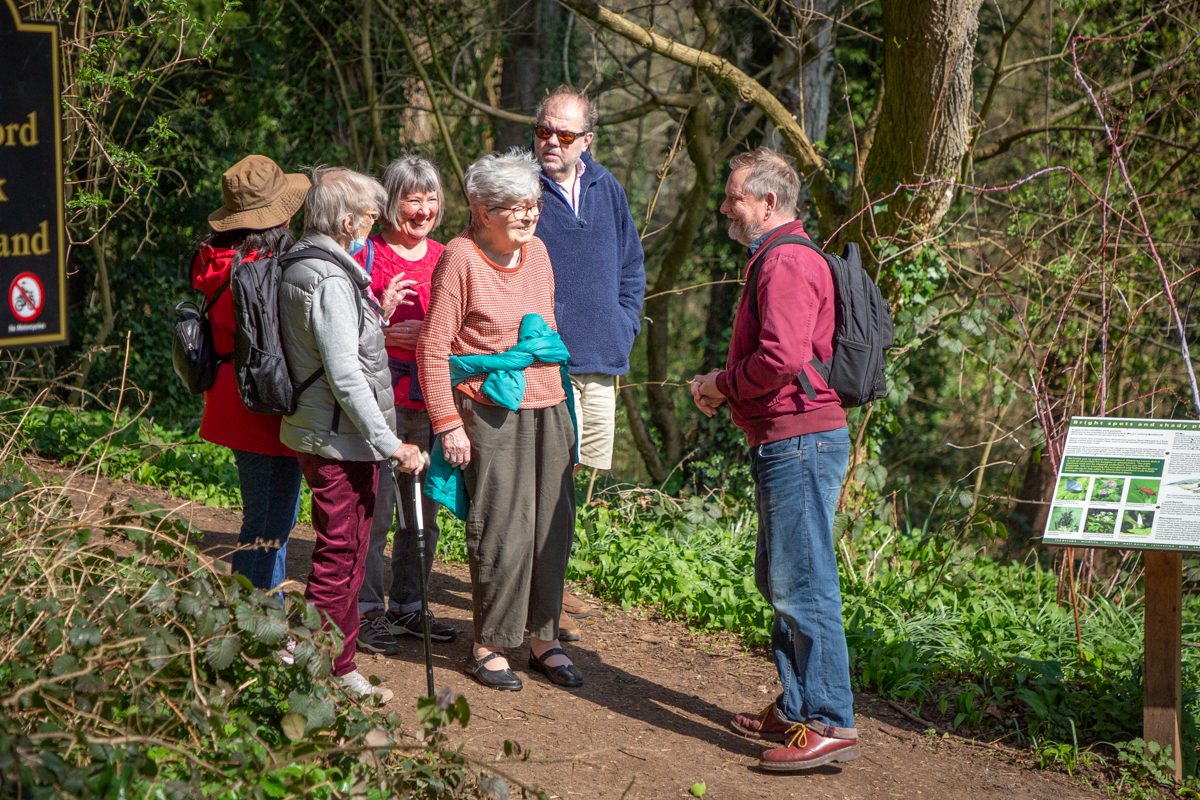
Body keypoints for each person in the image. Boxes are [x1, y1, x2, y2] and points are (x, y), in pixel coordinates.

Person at [690, 148, 858, 771]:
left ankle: (830, 719)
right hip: (786, 437)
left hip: (799, 438)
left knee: (804, 582)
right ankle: (796, 707)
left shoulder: (785, 259)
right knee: (780, 578)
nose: (726, 208)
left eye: (735, 197)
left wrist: (719, 385)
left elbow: (781, 357)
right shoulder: (778, 256)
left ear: (768, 202)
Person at [418, 149, 580, 692]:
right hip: (488, 408)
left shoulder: (538, 255)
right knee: (503, 531)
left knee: (551, 530)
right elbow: (434, 347)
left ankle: (543, 638)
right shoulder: (459, 257)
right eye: (516, 207)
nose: (529, 216)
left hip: (549, 402)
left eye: (533, 205)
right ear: (482, 208)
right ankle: (490, 642)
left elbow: (547, 329)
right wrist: (448, 422)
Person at [278, 166, 423, 703]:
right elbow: (344, 375)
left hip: (324, 432)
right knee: (342, 554)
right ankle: (313, 667)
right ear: (345, 220)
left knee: (350, 550)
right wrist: (391, 443)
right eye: (367, 214)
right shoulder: (332, 278)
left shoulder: (306, 264)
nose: (373, 222)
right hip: (338, 438)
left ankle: (337, 664)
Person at [532, 85, 645, 638]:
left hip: (602, 357)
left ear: (588, 141)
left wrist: (625, 321)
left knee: (577, 474)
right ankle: (538, 596)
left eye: (565, 134)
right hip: (542, 363)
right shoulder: (520, 188)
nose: (551, 141)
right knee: (542, 472)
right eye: (544, 130)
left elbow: (631, 264)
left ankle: (553, 582)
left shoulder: (609, 189)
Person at [355, 156, 458, 655]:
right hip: (378, 403)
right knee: (375, 514)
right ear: (392, 203)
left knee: (423, 515)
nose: (423, 210)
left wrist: (435, 336)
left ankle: (410, 607)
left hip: (432, 399)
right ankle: (368, 611)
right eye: (413, 199)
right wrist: (384, 320)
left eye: (431, 198)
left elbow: (466, 328)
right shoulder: (366, 256)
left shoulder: (448, 256)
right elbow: (339, 331)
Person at [193, 155, 308, 594]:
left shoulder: (220, 260)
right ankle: (252, 627)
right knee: (266, 523)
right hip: (261, 406)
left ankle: (263, 619)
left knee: (270, 518)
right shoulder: (259, 271)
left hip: (233, 398)